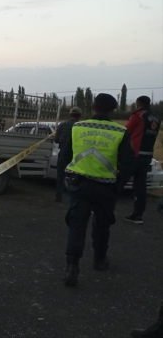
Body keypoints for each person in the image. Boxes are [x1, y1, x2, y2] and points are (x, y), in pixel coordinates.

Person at [60, 93, 134, 287]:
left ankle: (72, 268)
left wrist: (65, 180)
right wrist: (118, 185)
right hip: (105, 187)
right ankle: (99, 260)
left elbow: (66, 154)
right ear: (112, 110)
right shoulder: (121, 131)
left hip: (79, 184)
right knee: (102, 225)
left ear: (92, 107)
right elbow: (127, 164)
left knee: (77, 224)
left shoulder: (77, 127)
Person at [122, 96, 160, 224]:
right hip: (147, 155)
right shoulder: (156, 118)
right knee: (140, 186)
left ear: (138, 104)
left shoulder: (138, 116)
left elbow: (127, 131)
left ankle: (103, 208)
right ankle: (138, 215)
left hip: (134, 154)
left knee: (118, 181)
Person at [54, 107, 82, 202]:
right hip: (75, 155)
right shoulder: (80, 126)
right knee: (74, 176)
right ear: (79, 116)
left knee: (60, 176)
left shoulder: (62, 125)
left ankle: (58, 197)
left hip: (63, 153)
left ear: (70, 114)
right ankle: (73, 197)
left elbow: (56, 139)